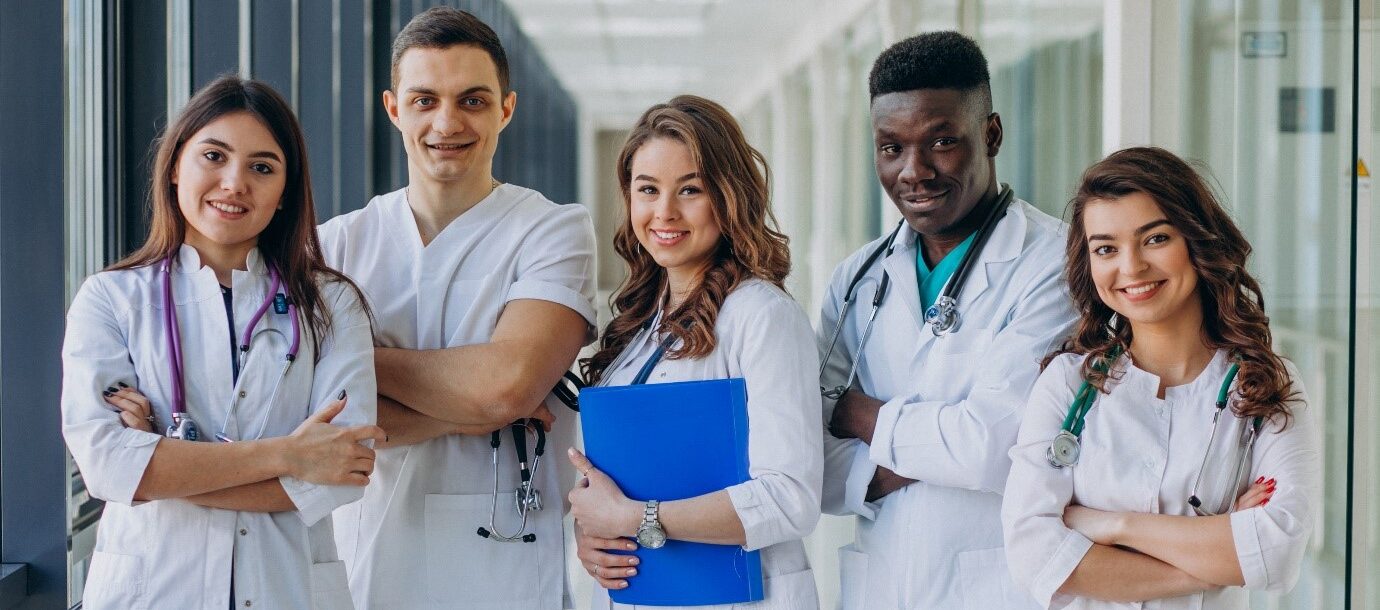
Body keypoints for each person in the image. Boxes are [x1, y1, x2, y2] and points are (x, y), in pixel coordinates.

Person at [60, 75, 383, 609]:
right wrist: (289, 455)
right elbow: (109, 467)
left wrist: (163, 465)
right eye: (214, 155)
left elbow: (341, 474)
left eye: (262, 167)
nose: (235, 183)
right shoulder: (111, 299)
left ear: (285, 193)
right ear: (174, 167)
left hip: (287, 589)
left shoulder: (331, 303)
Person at [316, 7, 597, 609]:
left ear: (507, 109)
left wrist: (351, 360)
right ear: (393, 109)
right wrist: (465, 412)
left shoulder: (553, 232)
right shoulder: (334, 245)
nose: (447, 122)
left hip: (503, 562)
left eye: (472, 100)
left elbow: (504, 389)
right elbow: (313, 418)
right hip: (366, 555)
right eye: (424, 100)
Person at [818, 31, 1077, 608]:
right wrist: (940, 446)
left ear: (991, 134)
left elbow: (990, 447)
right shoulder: (857, 279)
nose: (914, 171)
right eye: (891, 147)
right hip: (880, 584)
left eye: (941, 142)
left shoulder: (1054, 267)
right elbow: (808, 452)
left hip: (999, 585)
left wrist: (854, 411)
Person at [1001, 147, 1319, 609]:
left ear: (1196, 239)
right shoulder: (1068, 385)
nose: (1130, 267)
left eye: (1155, 239)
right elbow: (1033, 554)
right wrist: (1221, 551)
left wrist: (1113, 526)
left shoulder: (1267, 384)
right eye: (1106, 248)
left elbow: (1277, 552)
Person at [566, 95, 823, 609]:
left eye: (690, 190)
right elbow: (617, 484)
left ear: (728, 197)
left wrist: (635, 519)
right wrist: (593, 536)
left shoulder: (763, 316)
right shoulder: (637, 324)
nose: (664, 212)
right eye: (648, 190)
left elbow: (792, 498)